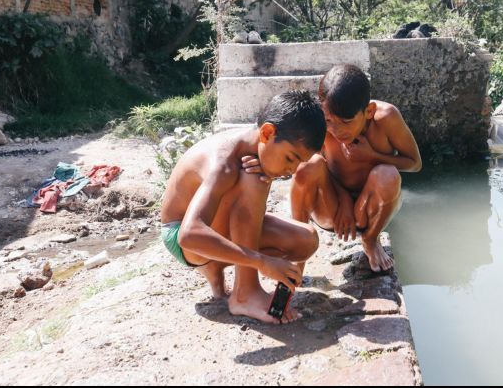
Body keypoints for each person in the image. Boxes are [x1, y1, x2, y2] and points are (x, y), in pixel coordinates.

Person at [160, 90, 325, 324]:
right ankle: (244, 294)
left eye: (299, 163)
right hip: (181, 234)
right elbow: (189, 235)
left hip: (211, 227)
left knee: (305, 240)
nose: (291, 170)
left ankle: (216, 269)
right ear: (267, 132)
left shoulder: (255, 150)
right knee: (253, 179)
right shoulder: (224, 163)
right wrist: (261, 261)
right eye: (290, 158)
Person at [288, 64, 422, 272]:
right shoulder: (320, 121)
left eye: (346, 121)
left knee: (388, 174)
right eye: (329, 121)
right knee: (308, 166)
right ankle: (298, 254)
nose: (336, 130)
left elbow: (415, 163)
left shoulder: (386, 118)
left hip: (369, 211)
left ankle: (370, 239)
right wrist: (342, 198)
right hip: (332, 210)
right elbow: (299, 161)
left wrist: (373, 156)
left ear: (368, 111)